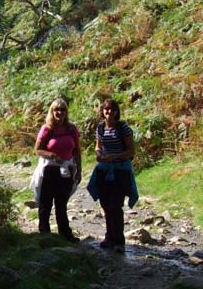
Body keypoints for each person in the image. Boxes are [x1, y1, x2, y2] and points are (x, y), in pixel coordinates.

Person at [86, 98, 138, 254]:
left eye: (112, 109)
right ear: (102, 111)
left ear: (116, 112)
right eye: (106, 109)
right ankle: (109, 237)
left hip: (120, 171)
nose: (109, 112)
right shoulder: (101, 128)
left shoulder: (124, 128)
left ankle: (119, 241)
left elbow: (131, 151)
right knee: (105, 204)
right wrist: (99, 155)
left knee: (116, 205)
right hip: (103, 170)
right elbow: (98, 146)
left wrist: (115, 157)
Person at [34, 98, 82, 243]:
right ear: (52, 111)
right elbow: (38, 150)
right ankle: (45, 234)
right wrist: (53, 155)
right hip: (49, 171)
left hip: (66, 171)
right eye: (56, 110)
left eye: (62, 110)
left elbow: (77, 151)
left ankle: (65, 234)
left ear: (66, 112)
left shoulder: (71, 129)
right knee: (45, 203)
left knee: (61, 204)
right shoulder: (47, 129)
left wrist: (79, 170)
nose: (59, 112)